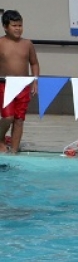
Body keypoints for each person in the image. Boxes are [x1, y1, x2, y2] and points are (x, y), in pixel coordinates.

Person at [0, 10, 40, 154]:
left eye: (20, 25)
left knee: (19, 119)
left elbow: (34, 63)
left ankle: (15, 151)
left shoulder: (27, 44)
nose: (18, 28)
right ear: (5, 27)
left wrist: (35, 81)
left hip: (23, 86)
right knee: (8, 117)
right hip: (4, 85)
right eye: (14, 25)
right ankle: (0, 138)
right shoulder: (1, 43)